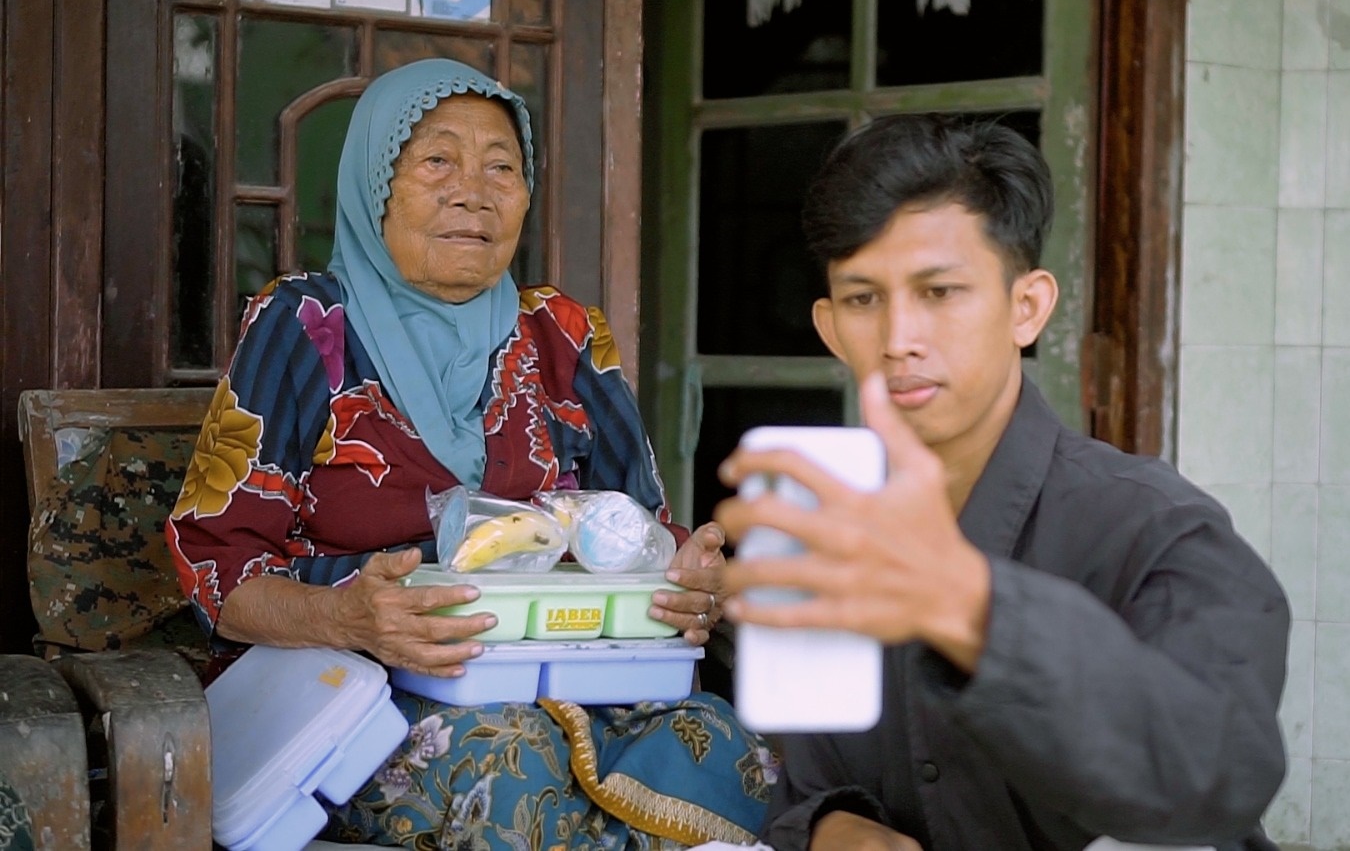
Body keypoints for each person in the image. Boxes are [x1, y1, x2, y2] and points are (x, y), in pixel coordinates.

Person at [167, 57, 774, 849]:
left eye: (502, 167)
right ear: (375, 183)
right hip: (367, 689)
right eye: (437, 160)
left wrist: (683, 575)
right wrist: (346, 616)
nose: (473, 191)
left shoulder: (564, 334)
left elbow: (639, 530)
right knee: (514, 764)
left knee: (726, 743)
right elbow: (214, 564)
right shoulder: (307, 326)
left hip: (577, 679)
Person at [714, 114, 1289, 851]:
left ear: (1028, 308)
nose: (898, 339)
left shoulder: (1153, 527)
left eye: (940, 292)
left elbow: (1221, 771)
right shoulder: (835, 531)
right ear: (828, 327)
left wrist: (966, 601)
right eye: (864, 300)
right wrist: (834, 829)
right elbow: (811, 783)